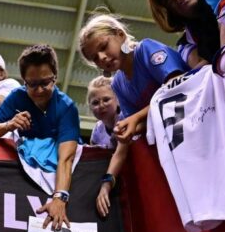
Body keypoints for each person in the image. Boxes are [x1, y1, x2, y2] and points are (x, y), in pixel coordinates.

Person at [78, 13, 188, 217]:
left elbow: (179, 87)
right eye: (95, 58)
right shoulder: (119, 84)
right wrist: (127, 131)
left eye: (103, 46)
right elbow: (142, 124)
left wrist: (135, 120)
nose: (101, 58)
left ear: (120, 35)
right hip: (173, 148)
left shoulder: (146, 49)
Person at [0, 44, 81, 231]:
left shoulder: (67, 107)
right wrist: (9, 124)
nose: (39, 90)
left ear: (55, 78)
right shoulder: (16, 97)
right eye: (32, 84)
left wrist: (59, 197)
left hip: (57, 176)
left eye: (45, 83)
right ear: (24, 81)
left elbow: (66, 158)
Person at [87, 76, 120, 149]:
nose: (101, 106)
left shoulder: (126, 121)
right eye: (95, 103)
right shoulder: (97, 130)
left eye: (106, 100)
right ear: (90, 107)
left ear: (118, 100)